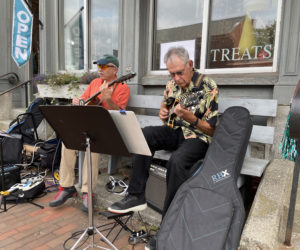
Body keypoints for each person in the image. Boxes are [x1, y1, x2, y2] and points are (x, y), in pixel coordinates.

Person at [107, 47, 218, 249]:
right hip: (175, 131)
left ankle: (168, 226)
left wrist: (191, 117)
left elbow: (211, 130)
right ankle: (135, 195)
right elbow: (166, 103)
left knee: (176, 162)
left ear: (190, 65)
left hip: (198, 137)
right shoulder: (171, 85)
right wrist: (163, 111)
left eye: (179, 73)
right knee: (144, 134)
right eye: (171, 74)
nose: (176, 78)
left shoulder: (208, 86)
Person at [49, 54, 130, 212]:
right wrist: (78, 102)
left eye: (104, 66)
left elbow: (120, 114)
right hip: (89, 125)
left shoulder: (122, 88)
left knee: (91, 146)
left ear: (115, 70)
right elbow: (84, 100)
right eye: (98, 66)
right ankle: (66, 187)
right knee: (68, 141)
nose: (100, 70)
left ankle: (88, 192)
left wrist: (108, 99)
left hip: (108, 128)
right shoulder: (94, 83)